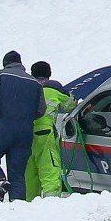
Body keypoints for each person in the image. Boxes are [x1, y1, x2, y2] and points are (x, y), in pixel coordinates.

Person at [0, 50, 44, 201]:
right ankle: (17, 209)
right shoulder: (35, 83)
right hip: (25, 134)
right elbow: (41, 110)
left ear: (5, 63)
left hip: (3, 129)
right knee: (18, 174)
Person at [23, 61, 76, 200]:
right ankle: (50, 204)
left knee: (30, 173)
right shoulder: (53, 89)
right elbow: (70, 105)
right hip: (45, 134)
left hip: (25, 134)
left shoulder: (26, 88)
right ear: (49, 74)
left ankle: (29, 205)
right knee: (50, 170)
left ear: (32, 74)